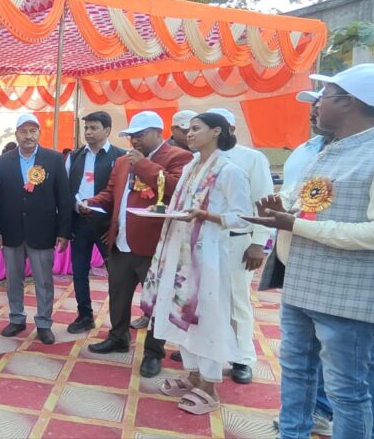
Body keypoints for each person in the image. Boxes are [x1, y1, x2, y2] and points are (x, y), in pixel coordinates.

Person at [249, 64, 374, 439]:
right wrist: (283, 212)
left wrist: (296, 225)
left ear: (349, 102)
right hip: (303, 282)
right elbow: (315, 207)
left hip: (348, 296)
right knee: (297, 371)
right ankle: (293, 433)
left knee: (347, 390)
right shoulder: (327, 151)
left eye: (324, 96)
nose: (317, 104)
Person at [141, 112, 250, 415]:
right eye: (188, 129)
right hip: (179, 253)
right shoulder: (191, 166)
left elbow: (243, 217)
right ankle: (192, 375)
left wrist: (207, 216)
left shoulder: (229, 170)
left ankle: (210, 386)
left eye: (196, 129)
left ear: (216, 131)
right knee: (180, 313)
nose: (189, 134)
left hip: (208, 257)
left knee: (208, 318)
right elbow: (181, 205)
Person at [81, 111, 192, 378]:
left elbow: (175, 188)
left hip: (155, 246)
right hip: (121, 241)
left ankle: (153, 353)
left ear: (158, 133)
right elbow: (111, 193)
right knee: (118, 294)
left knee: (156, 302)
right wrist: (90, 203)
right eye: (131, 136)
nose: (134, 140)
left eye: (140, 135)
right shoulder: (122, 161)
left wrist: (143, 165)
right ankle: (118, 337)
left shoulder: (179, 157)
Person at [263, 90, 335, 437]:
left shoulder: (373, 156)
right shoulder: (306, 150)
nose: (314, 112)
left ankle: (324, 410)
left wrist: (292, 221)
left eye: (323, 104)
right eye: (313, 107)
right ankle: (303, 417)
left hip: (333, 266)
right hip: (294, 258)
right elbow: (293, 196)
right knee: (299, 353)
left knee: (340, 356)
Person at [198, 108, 273, 385]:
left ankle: (242, 358)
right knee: (204, 298)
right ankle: (205, 351)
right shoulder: (198, 159)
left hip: (236, 241)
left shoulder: (251, 158)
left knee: (235, 302)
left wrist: (258, 243)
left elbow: (264, 202)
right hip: (202, 240)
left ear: (226, 130)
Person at [0, 114, 72, 345]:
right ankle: (16, 318)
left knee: (43, 281)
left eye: (33, 131)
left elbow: (64, 197)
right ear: (16, 134)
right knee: (13, 280)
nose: (28, 136)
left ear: (39, 133)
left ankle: (44, 323)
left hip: (43, 231)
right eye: (24, 131)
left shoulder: (54, 159)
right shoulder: (3, 161)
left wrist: (63, 232)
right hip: (11, 232)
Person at [65, 111, 126, 334]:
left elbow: (123, 193)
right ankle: (84, 315)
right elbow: (65, 189)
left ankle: (118, 323)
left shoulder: (121, 156)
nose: (88, 132)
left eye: (93, 128)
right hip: (79, 222)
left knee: (116, 274)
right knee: (79, 272)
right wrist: (75, 207)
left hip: (107, 225)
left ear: (107, 130)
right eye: (86, 128)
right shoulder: (74, 156)